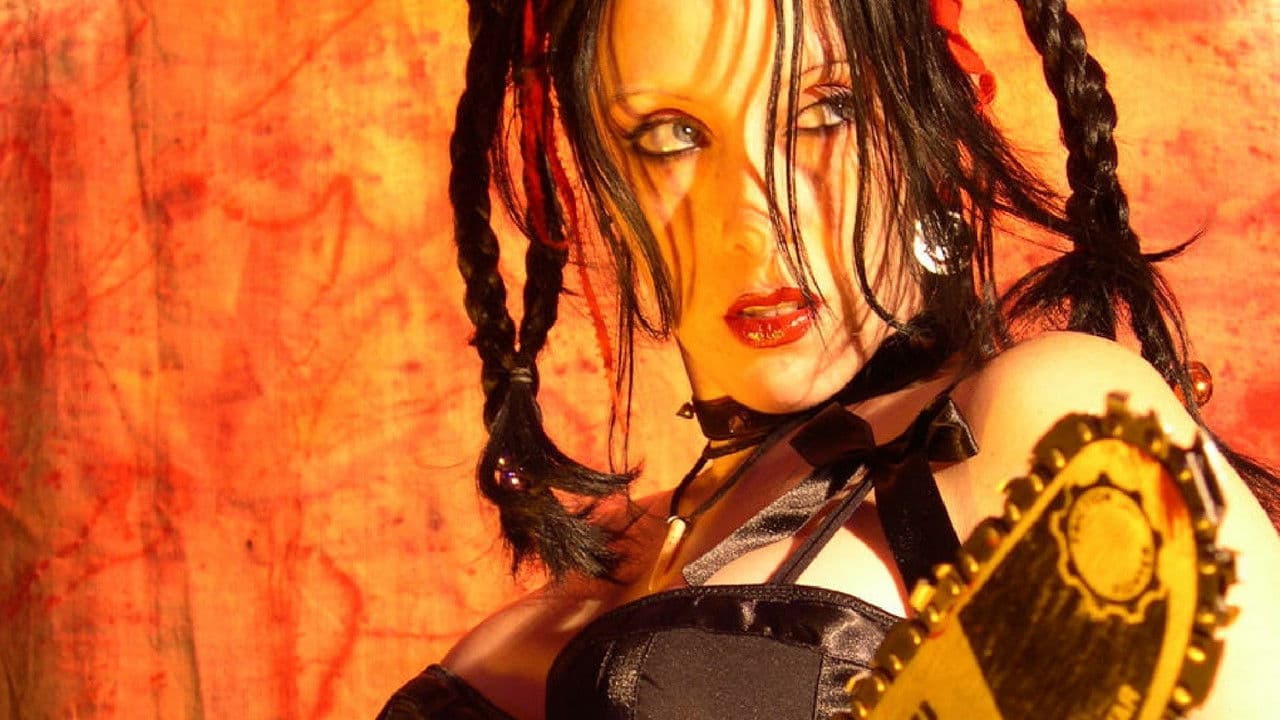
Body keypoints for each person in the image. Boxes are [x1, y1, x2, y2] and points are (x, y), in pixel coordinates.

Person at [379, 0, 1280, 717]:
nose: (755, 223)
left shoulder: (1041, 423)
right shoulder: (615, 557)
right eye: (669, 135)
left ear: (930, 124)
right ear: (594, 178)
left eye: (826, 112)